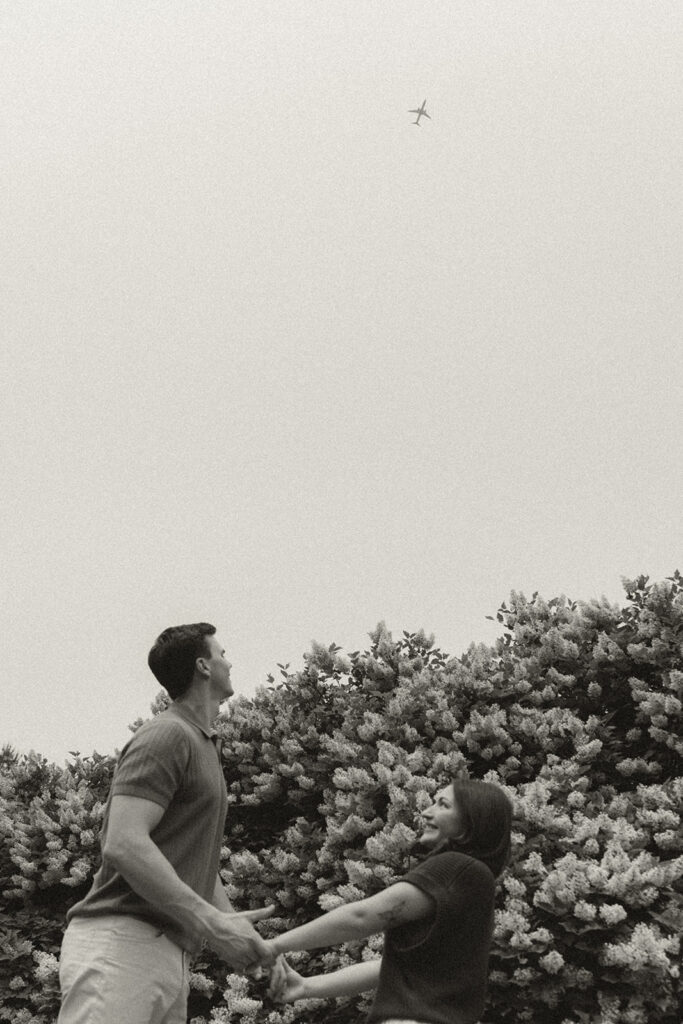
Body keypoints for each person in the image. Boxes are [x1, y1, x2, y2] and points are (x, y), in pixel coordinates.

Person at [57, 622, 273, 1024]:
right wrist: (210, 922)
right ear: (203, 666)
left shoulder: (202, 744)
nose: (229, 662)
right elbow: (123, 843)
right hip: (123, 946)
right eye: (222, 654)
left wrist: (237, 932)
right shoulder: (168, 735)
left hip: (168, 956)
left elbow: (197, 863)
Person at [263, 779, 513, 1024]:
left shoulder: (457, 867)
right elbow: (394, 967)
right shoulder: (474, 880)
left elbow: (361, 917)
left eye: (443, 805)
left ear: (470, 823)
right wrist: (306, 986)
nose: (426, 812)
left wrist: (274, 946)